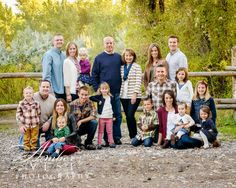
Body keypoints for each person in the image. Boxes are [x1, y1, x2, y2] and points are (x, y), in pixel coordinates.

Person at [92, 36, 122, 145]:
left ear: (114, 44)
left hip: (116, 92)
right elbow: (94, 75)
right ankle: (106, 138)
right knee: (104, 116)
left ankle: (116, 137)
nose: (109, 45)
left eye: (111, 43)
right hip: (103, 95)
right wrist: (97, 89)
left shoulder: (119, 57)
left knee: (117, 115)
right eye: (107, 43)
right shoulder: (99, 58)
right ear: (104, 44)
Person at [18, 80, 56, 149]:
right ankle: (24, 138)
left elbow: (55, 114)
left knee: (49, 146)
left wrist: (48, 122)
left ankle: (49, 140)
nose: (45, 88)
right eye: (43, 86)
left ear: (50, 88)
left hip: (46, 126)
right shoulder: (31, 96)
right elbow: (19, 112)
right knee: (23, 146)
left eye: (47, 87)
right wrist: (21, 125)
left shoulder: (53, 100)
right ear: (39, 87)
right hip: (32, 126)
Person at [120, 49, 142, 139]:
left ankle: (135, 135)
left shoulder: (137, 67)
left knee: (130, 115)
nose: (128, 57)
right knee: (128, 116)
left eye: (130, 56)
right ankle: (132, 136)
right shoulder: (121, 67)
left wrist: (135, 93)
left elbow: (138, 80)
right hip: (123, 95)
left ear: (133, 57)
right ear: (124, 57)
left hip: (133, 95)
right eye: (127, 56)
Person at [89, 82, 116, 149]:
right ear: (100, 89)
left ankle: (111, 142)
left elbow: (113, 107)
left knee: (109, 131)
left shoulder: (111, 97)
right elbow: (91, 97)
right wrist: (98, 101)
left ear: (108, 89)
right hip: (102, 117)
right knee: (100, 131)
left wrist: (114, 116)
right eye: (103, 89)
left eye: (106, 89)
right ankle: (99, 143)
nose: (104, 90)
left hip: (109, 117)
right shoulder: (99, 97)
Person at [42, 33, 66, 99]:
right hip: (54, 91)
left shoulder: (64, 55)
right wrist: (50, 91)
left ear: (63, 41)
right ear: (53, 42)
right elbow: (46, 74)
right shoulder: (48, 55)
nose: (59, 41)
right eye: (57, 40)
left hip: (64, 90)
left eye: (61, 40)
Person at [16, 86, 41, 151]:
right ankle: (26, 148)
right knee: (26, 137)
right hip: (26, 124)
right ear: (24, 94)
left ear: (33, 94)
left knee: (34, 137)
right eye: (26, 93)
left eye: (30, 93)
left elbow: (39, 112)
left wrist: (38, 120)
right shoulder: (21, 103)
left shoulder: (36, 103)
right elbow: (18, 113)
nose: (28, 94)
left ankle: (33, 148)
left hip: (35, 124)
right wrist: (21, 122)